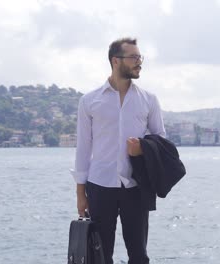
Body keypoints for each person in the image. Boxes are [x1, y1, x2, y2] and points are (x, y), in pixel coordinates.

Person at [71, 37, 166, 264]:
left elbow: (162, 141)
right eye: (133, 57)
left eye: (139, 57)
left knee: (139, 255)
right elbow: (83, 148)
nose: (139, 62)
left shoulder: (149, 100)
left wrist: (141, 148)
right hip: (100, 186)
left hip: (136, 186)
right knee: (100, 256)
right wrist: (80, 194)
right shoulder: (90, 101)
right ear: (116, 61)